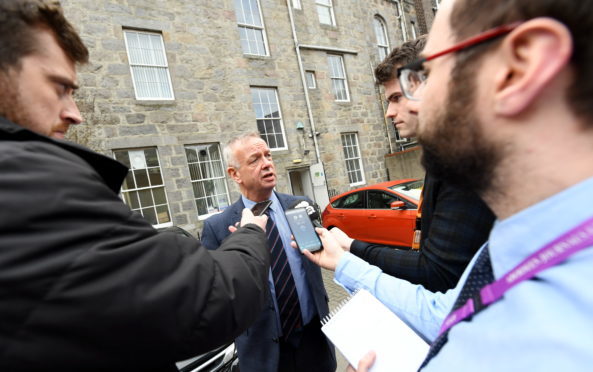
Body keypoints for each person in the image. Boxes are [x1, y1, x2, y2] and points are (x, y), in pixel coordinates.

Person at [300, 0, 593, 370]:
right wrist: (344, 262)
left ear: (518, 67)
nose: (405, 107)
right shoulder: (518, 237)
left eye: (425, 76)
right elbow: (449, 312)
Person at [0, 1, 271, 371]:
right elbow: (207, 298)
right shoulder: (32, 183)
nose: (74, 113)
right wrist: (252, 233)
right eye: (60, 87)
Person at [330, 36, 495, 292]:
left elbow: (437, 271)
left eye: (397, 98)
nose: (389, 112)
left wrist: (351, 248)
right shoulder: (442, 154)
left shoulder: (462, 158)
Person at [201, 133, 336, 372]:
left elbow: (322, 258)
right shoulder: (219, 228)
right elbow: (214, 299)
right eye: (255, 160)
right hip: (263, 354)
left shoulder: (300, 206)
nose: (266, 163)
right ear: (235, 174)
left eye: (268, 155)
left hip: (314, 343)